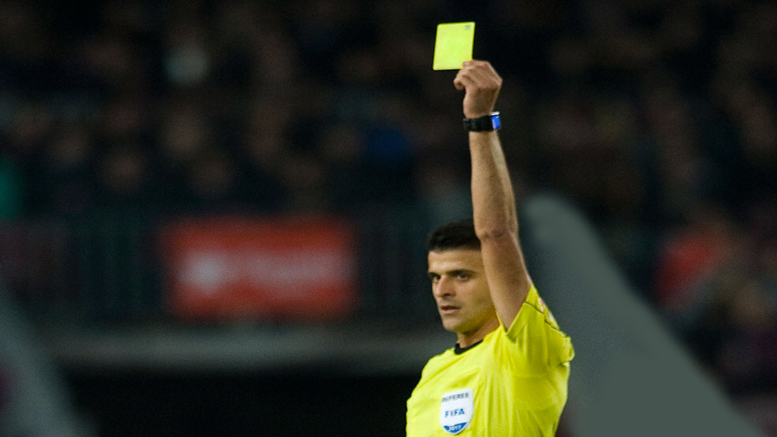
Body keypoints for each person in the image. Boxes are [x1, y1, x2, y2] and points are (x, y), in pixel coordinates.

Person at [406, 61, 574, 436]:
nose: (443, 290)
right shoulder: (431, 375)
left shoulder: (528, 349)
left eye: (461, 276)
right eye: (436, 277)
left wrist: (480, 121)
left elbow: (497, 233)